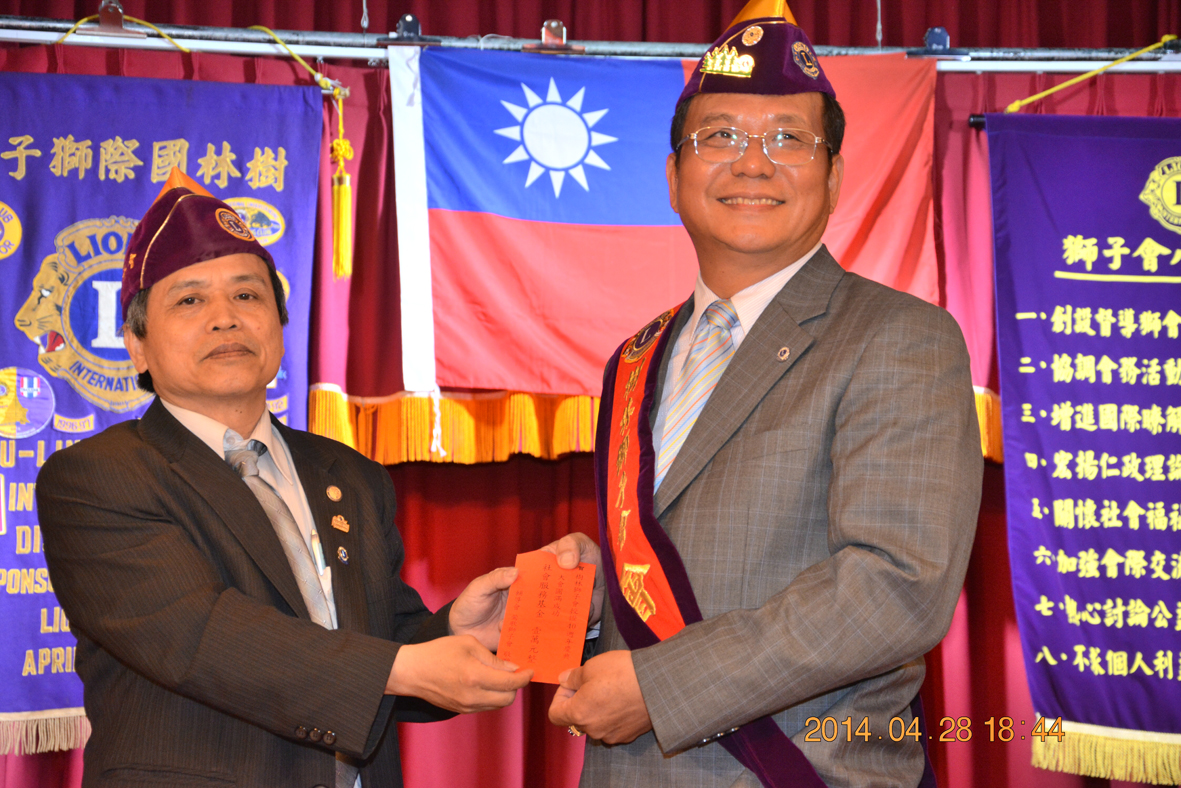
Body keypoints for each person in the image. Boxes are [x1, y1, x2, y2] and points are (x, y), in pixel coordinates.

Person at [548, 2, 983, 786]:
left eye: (787, 138)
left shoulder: (898, 336)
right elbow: (687, 563)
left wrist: (662, 686)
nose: (752, 163)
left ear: (833, 177)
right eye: (719, 137)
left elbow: (897, 586)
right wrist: (594, 589)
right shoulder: (635, 357)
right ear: (673, 177)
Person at [35, 169, 577, 788]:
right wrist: (400, 668)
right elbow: (200, 637)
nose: (225, 318)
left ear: (279, 323)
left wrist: (455, 630)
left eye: (247, 295)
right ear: (136, 344)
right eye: (189, 300)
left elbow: (382, 642)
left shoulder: (349, 474)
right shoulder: (98, 477)